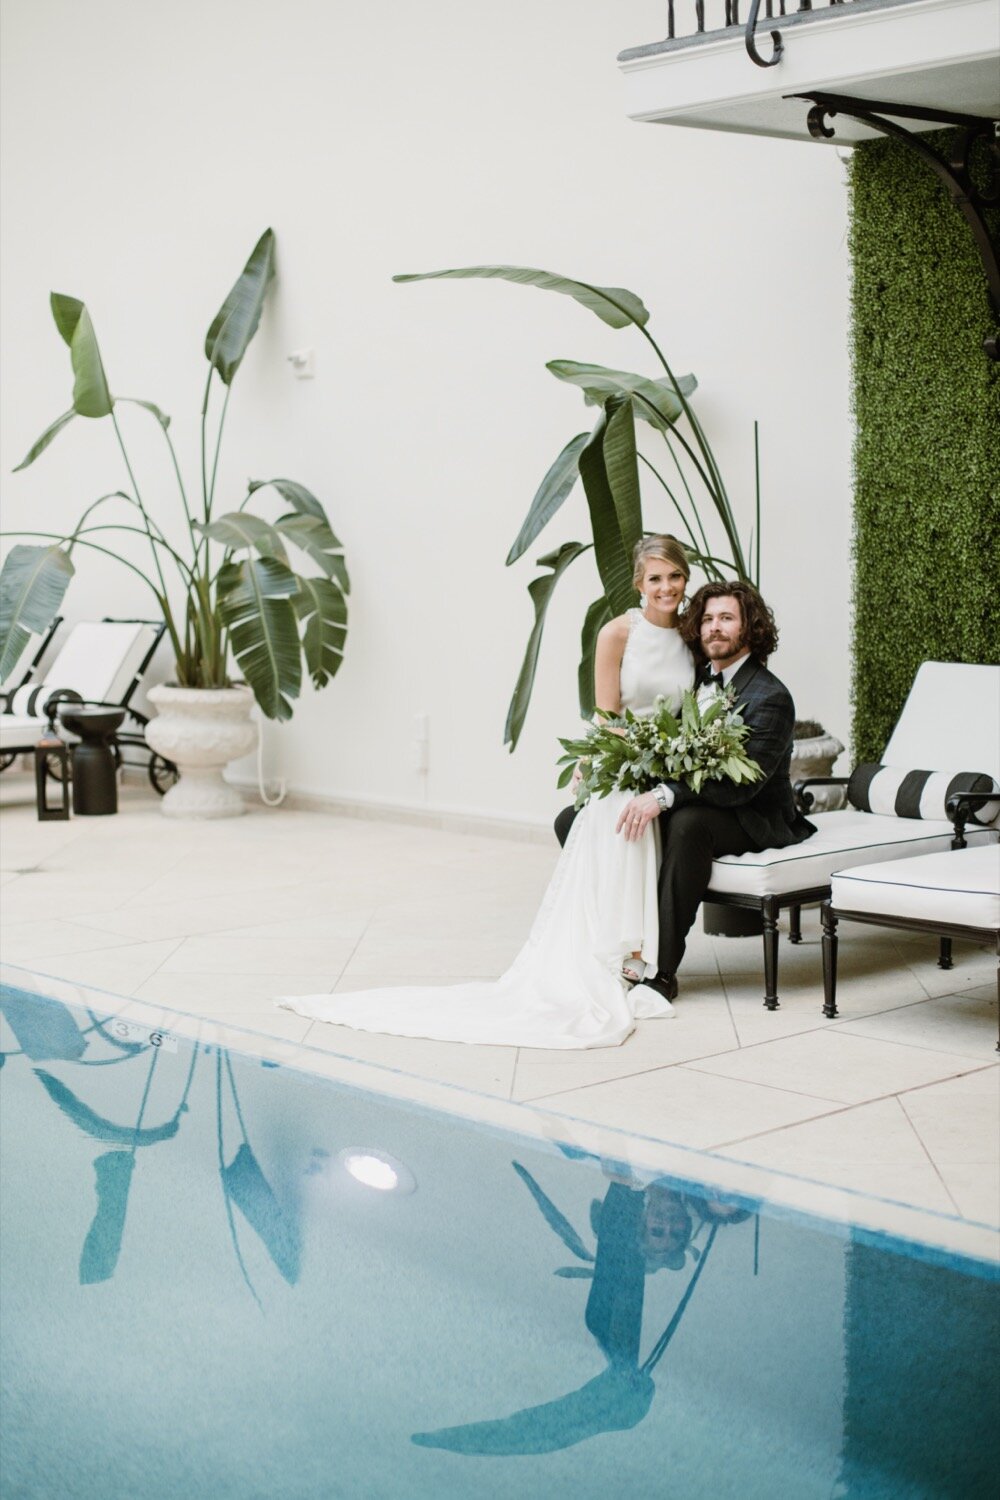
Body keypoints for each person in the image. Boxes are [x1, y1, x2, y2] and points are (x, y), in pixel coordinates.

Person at [277, 535, 695, 1049]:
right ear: (638, 584)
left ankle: (641, 959)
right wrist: (636, 761)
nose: (666, 587)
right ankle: (615, 961)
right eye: (655, 578)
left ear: (685, 577)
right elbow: (606, 719)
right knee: (621, 825)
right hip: (627, 766)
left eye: (674, 576)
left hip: (671, 772)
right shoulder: (616, 634)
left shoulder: (692, 633)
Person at [555, 580, 815, 1006]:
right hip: (696, 797)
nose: (715, 628)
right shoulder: (694, 681)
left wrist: (662, 796)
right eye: (709, 619)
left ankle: (660, 971)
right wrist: (604, 766)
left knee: (687, 824)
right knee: (577, 819)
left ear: (750, 628)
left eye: (727, 619)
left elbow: (741, 785)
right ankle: (609, 948)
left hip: (753, 816)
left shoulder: (771, 696)